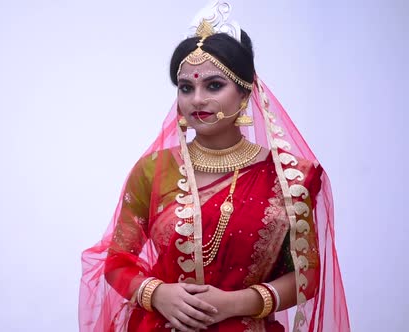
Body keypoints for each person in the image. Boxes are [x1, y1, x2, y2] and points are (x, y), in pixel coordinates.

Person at [79, 2, 350, 331]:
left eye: (214, 85)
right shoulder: (153, 171)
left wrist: (235, 303)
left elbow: (306, 275)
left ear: (245, 92)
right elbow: (116, 261)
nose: (196, 99)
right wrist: (157, 293)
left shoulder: (290, 178)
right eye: (185, 88)